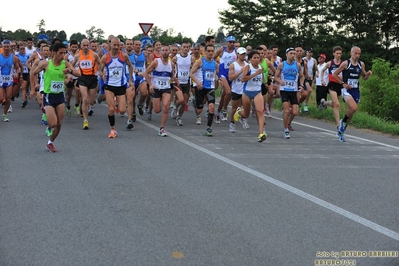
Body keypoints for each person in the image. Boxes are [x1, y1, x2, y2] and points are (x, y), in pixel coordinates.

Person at [30, 42, 80, 152]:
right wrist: (34, 87)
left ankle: (50, 142)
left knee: (59, 123)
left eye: (64, 53)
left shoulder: (65, 64)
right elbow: (33, 73)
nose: (63, 55)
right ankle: (46, 112)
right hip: (49, 96)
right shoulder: (45, 64)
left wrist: (70, 71)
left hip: (60, 96)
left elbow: (78, 74)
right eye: (60, 53)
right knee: (53, 123)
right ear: (54, 53)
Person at [332, 46, 372, 142]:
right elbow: (334, 75)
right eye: (355, 53)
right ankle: (342, 123)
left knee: (351, 113)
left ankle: (341, 131)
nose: (357, 56)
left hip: (355, 90)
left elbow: (364, 77)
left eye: (359, 54)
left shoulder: (361, 64)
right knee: (354, 108)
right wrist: (343, 84)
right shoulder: (346, 63)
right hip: (346, 90)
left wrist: (368, 74)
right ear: (351, 53)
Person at [99, 37, 134, 138]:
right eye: (114, 45)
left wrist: (130, 80)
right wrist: (102, 75)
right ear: (110, 45)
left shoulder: (123, 56)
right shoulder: (105, 57)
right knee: (111, 108)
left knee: (122, 110)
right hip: (109, 85)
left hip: (120, 85)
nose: (116, 47)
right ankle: (113, 129)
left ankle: (116, 100)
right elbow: (100, 70)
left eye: (118, 45)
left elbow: (130, 66)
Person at [234, 50, 267, 142]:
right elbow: (243, 79)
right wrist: (255, 74)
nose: (257, 59)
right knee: (246, 114)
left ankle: (261, 133)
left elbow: (262, 79)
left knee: (260, 111)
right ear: (250, 59)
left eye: (258, 58)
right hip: (247, 92)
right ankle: (239, 112)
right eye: (254, 58)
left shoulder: (261, 67)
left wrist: (265, 83)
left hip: (257, 92)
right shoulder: (248, 67)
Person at [144, 45, 177, 137]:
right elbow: (146, 73)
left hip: (166, 88)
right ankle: (151, 105)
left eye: (167, 50)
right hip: (156, 88)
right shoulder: (156, 62)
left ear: (169, 52)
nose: (165, 52)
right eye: (163, 50)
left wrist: (175, 79)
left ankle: (162, 129)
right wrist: (150, 84)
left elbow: (171, 75)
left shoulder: (171, 64)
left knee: (166, 107)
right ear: (161, 52)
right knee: (157, 110)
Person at [274, 47, 305, 139]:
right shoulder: (281, 64)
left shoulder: (298, 65)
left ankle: (288, 123)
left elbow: (302, 76)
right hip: (284, 90)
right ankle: (286, 130)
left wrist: (301, 85)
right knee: (287, 111)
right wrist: (280, 81)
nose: (293, 55)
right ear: (286, 54)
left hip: (293, 90)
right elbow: (275, 77)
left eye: (294, 54)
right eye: (291, 53)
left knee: (295, 112)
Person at [71, 39, 101, 130]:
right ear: (81, 46)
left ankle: (93, 101)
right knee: (84, 98)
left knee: (91, 101)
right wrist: (71, 74)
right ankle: (85, 120)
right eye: (84, 45)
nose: (86, 47)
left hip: (92, 78)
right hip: (82, 78)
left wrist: (102, 73)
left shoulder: (94, 55)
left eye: (87, 45)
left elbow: (100, 65)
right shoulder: (77, 56)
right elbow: (71, 66)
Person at [190, 44, 218, 136]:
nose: (210, 53)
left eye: (212, 51)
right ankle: (196, 103)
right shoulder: (200, 61)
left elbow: (215, 75)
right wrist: (198, 82)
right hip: (200, 88)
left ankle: (208, 128)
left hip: (210, 88)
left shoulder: (214, 63)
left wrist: (217, 81)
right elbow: (191, 74)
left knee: (211, 107)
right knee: (199, 109)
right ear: (205, 52)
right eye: (208, 51)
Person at [320, 46, 344, 134]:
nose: (338, 55)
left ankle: (324, 103)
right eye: (337, 53)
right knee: (337, 104)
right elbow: (322, 71)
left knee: (334, 104)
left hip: (340, 85)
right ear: (333, 53)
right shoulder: (330, 63)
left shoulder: (343, 63)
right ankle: (338, 124)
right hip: (332, 85)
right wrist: (322, 80)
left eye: (340, 53)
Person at [214, 35, 237, 122]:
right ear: (227, 42)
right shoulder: (222, 49)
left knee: (225, 96)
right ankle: (224, 110)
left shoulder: (236, 50)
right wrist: (216, 67)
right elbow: (213, 58)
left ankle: (218, 112)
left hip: (231, 74)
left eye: (233, 42)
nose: (232, 44)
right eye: (230, 42)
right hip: (223, 73)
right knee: (228, 92)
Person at [228, 47, 248, 133]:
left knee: (245, 107)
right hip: (236, 89)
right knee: (234, 108)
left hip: (245, 90)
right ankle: (232, 123)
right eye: (241, 54)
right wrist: (240, 71)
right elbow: (231, 78)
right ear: (238, 54)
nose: (243, 55)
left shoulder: (247, 65)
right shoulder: (233, 65)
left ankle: (243, 118)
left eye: (244, 54)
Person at [0, 40, 20, 122]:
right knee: (1, 99)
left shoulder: (14, 57)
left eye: (8, 46)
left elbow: (17, 68)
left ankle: (5, 115)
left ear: (10, 47)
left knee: (8, 98)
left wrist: (16, 73)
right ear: (2, 47)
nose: (6, 48)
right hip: (0, 80)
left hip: (9, 80)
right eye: (5, 47)